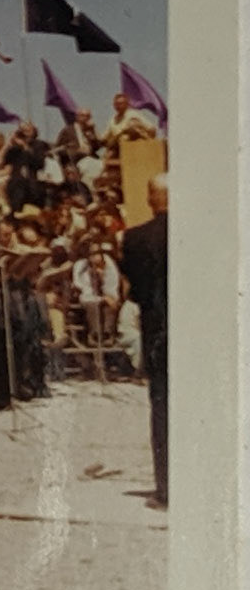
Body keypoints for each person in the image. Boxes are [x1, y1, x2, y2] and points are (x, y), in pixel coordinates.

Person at [118, 174, 168, 509]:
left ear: (151, 199)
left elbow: (134, 291)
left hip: (157, 333)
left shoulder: (134, 239)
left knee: (163, 408)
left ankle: (167, 486)